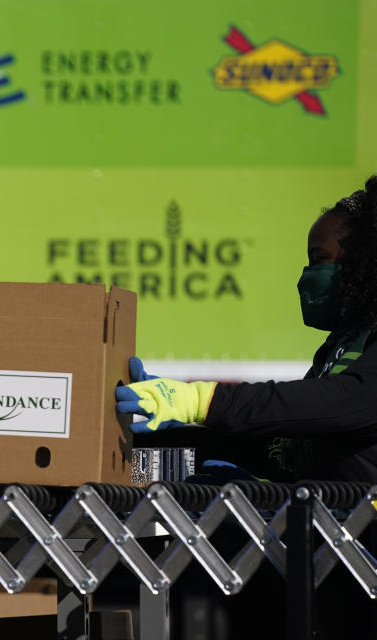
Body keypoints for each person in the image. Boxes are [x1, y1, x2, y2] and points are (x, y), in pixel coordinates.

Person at [116, 175, 377, 639]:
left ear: (365, 261)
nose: (307, 276)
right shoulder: (344, 340)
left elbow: (337, 404)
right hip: (324, 546)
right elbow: (291, 440)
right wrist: (141, 446)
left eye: (320, 259)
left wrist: (200, 399)